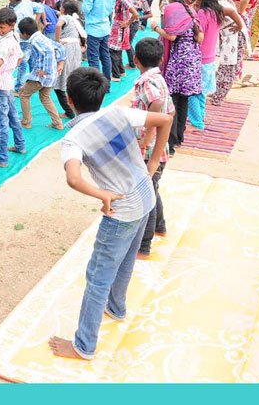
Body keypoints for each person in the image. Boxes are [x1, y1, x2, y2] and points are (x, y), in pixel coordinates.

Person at [48, 67, 173, 360]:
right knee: (126, 258)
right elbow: (166, 118)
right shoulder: (118, 113)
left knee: (98, 275)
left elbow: (74, 178)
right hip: (145, 196)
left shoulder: (72, 139)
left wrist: (101, 193)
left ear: (69, 99)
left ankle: (84, 346)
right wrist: (152, 162)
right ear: (102, 94)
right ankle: (116, 307)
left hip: (123, 210)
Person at [130, 38, 174, 259]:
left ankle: (144, 246)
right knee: (153, 190)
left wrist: (147, 137)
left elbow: (156, 104)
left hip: (149, 153)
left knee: (146, 197)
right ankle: (160, 227)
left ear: (136, 59)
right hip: (159, 148)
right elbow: (170, 111)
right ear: (161, 58)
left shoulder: (146, 84)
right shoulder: (160, 79)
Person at [151, 0, 204, 153]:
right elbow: (200, 37)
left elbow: (172, 36)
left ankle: (171, 142)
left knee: (172, 101)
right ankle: (180, 137)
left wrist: (156, 28)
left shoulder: (171, 9)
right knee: (184, 100)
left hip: (179, 60)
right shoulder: (190, 10)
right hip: (193, 60)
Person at [0, 8, 26, 168]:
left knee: (1, 123)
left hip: (0, 85)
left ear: (11, 25)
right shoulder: (14, 39)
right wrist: (12, 68)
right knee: (13, 117)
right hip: (8, 83)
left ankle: (2, 159)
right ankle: (20, 145)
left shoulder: (5, 43)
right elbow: (21, 57)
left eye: (2, 27)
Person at [17, 17, 65, 130]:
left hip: (41, 76)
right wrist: (60, 62)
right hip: (51, 75)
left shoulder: (35, 40)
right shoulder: (41, 37)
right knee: (45, 97)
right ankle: (57, 123)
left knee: (23, 94)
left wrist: (44, 71)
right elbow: (59, 47)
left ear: (24, 33)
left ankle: (26, 121)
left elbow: (47, 52)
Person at [192, 0, 225, 129]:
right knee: (201, 92)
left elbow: (200, 37)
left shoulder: (203, 13)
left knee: (193, 92)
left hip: (200, 57)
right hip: (210, 58)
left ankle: (197, 122)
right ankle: (200, 117)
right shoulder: (217, 11)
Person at [82, 0, 118, 89]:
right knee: (105, 56)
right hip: (105, 26)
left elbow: (85, 9)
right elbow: (112, 6)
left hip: (93, 29)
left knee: (93, 58)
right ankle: (106, 85)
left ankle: (96, 86)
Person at [210, 0, 247, 106]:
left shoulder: (214, 5)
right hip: (230, 34)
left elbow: (231, 11)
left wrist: (239, 26)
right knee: (224, 65)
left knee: (228, 67)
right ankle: (217, 92)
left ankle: (219, 97)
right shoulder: (218, 0)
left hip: (233, 35)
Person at [8, 0, 44, 93]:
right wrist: (36, 22)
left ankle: (19, 88)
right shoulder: (27, 3)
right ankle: (35, 82)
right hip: (31, 36)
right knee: (32, 61)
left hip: (23, 39)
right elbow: (40, 8)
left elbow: (16, 28)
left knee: (22, 63)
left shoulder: (18, 13)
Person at [55, 0, 84, 119]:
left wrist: (57, 41)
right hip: (75, 49)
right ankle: (76, 108)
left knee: (60, 82)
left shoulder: (64, 17)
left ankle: (69, 111)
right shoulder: (74, 19)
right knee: (72, 77)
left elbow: (58, 25)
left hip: (67, 49)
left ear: (63, 9)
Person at [108, 0, 139, 83]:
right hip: (118, 28)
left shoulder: (123, 1)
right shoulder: (117, 0)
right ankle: (121, 71)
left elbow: (135, 14)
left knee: (113, 51)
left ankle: (116, 75)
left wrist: (127, 23)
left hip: (120, 29)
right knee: (118, 50)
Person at [126, 0, 153, 68]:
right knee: (126, 42)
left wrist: (139, 17)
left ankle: (133, 63)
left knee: (128, 43)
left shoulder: (143, 1)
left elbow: (150, 14)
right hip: (128, 22)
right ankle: (132, 62)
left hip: (134, 24)